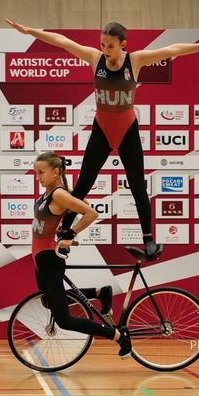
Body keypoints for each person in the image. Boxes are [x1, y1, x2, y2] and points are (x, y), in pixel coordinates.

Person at [7, 19, 199, 260]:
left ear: (123, 44)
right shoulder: (95, 58)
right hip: (102, 130)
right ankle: (64, 233)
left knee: (138, 187)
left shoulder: (135, 60)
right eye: (102, 45)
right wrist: (30, 31)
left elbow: (173, 49)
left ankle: (149, 241)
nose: (105, 50)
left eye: (111, 46)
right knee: (83, 184)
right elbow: (62, 41)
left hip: (127, 131)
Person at [31, 151, 131, 359]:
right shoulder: (53, 193)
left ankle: (117, 335)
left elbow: (91, 213)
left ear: (55, 172)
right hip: (40, 258)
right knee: (48, 301)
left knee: (65, 321)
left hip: (49, 258)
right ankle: (99, 292)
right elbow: (80, 204)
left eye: (41, 172)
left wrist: (71, 233)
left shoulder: (59, 195)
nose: (37, 177)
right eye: (36, 172)